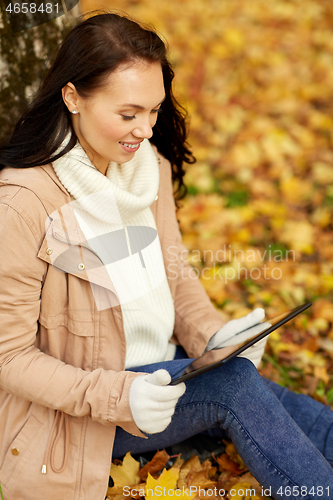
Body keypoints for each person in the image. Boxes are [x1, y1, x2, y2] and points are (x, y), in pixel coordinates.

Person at [0, 12, 332, 500]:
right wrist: (121, 395)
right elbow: (9, 357)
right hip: (81, 416)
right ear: (72, 97)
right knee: (235, 389)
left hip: (165, 374)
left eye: (154, 111)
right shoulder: (24, 204)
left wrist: (214, 336)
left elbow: (173, 276)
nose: (145, 129)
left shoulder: (145, 168)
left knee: (295, 409)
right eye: (128, 113)